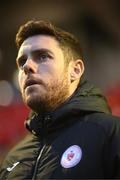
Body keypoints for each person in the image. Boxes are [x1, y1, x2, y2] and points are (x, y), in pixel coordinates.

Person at [0, 20, 120, 179]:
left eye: (42, 56)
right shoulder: (13, 158)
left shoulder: (111, 133)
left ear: (75, 70)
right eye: (22, 61)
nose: (27, 67)